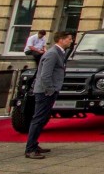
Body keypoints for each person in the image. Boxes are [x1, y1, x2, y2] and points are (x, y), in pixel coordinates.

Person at [24, 31, 73, 159]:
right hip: (45, 91)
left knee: (43, 119)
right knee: (38, 119)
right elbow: (45, 75)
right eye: (69, 39)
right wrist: (50, 90)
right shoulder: (52, 54)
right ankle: (30, 149)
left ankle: (34, 144)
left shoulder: (59, 53)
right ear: (61, 40)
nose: (71, 41)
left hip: (49, 90)